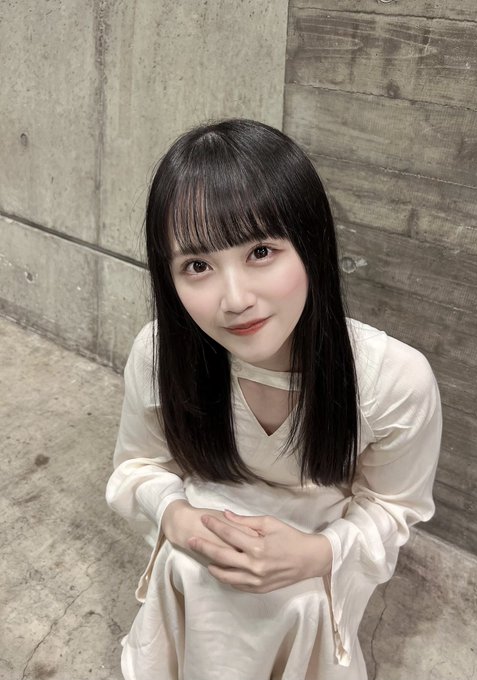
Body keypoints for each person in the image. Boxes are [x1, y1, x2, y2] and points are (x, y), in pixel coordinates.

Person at [106, 118, 442, 680]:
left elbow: (394, 505)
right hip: (203, 540)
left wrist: (319, 554)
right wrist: (176, 515)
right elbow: (138, 466)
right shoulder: (160, 355)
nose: (235, 299)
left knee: (299, 600)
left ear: (311, 246)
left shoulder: (393, 380)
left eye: (261, 251)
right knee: (191, 572)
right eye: (197, 266)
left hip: (318, 551)